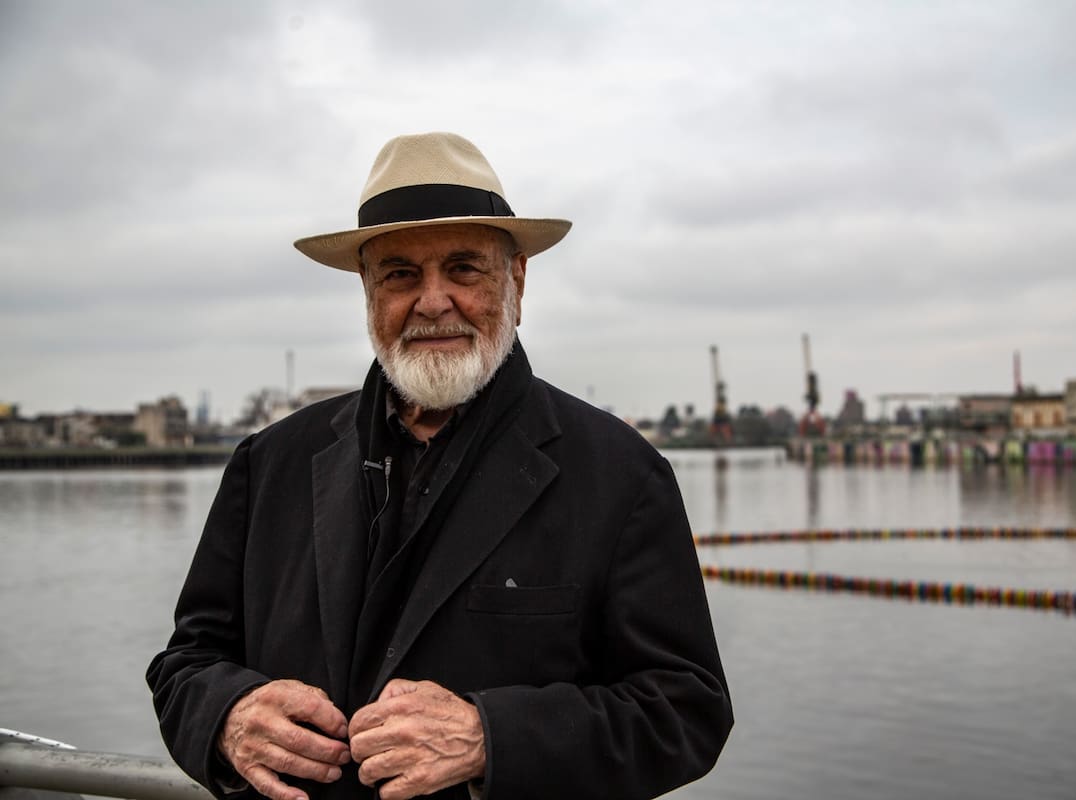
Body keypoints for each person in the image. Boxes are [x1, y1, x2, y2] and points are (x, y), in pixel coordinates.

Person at [147, 132, 733, 800]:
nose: (432, 302)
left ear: (515, 279)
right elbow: (185, 664)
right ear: (368, 291)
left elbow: (687, 711)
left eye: (463, 269)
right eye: (400, 274)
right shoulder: (270, 462)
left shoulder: (621, 475)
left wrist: (492, 737)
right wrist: (226, 715)